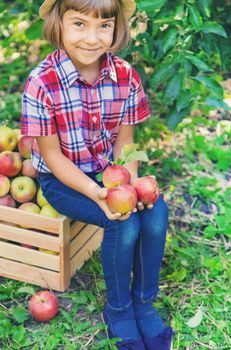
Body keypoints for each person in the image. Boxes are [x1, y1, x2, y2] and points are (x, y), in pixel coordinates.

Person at [21, 0, 174, 349]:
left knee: (154, 213)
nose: (92, 38)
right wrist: (96, 192)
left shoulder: (125, 76)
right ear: (59, 23)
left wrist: (130, 186)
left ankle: (143, 301)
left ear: (117, 27)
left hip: (111, 174)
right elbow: (53, 157)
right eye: (79, 24)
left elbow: (125, 145)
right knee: (121, 221)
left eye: (103, 25)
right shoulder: (42, 83)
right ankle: (118, 309)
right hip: (63, 180)